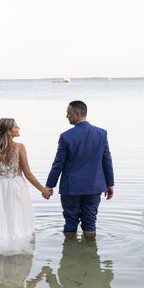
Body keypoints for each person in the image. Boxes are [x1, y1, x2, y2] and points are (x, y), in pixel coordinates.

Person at [45, 101, 114, 239]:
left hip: (72, 187)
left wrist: (49, 185)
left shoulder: (66, 136)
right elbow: (107, 160)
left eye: (68, 113)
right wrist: (110, 184)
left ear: (77, 114)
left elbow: (58, 163)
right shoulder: (101, 133)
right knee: (90, 222)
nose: (67, 116)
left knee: (70, 222)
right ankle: (90, 255)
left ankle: (70, 253)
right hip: (94, 186)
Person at [0, 118, 51, 255]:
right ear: (9, 132)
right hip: (16, 186)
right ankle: (18, 245)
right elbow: (28, 173)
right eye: (15, 127)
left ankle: (0, 246)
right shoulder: (20, 147)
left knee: (1, 217)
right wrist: (43, 190)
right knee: (17, 217)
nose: (18, 128)